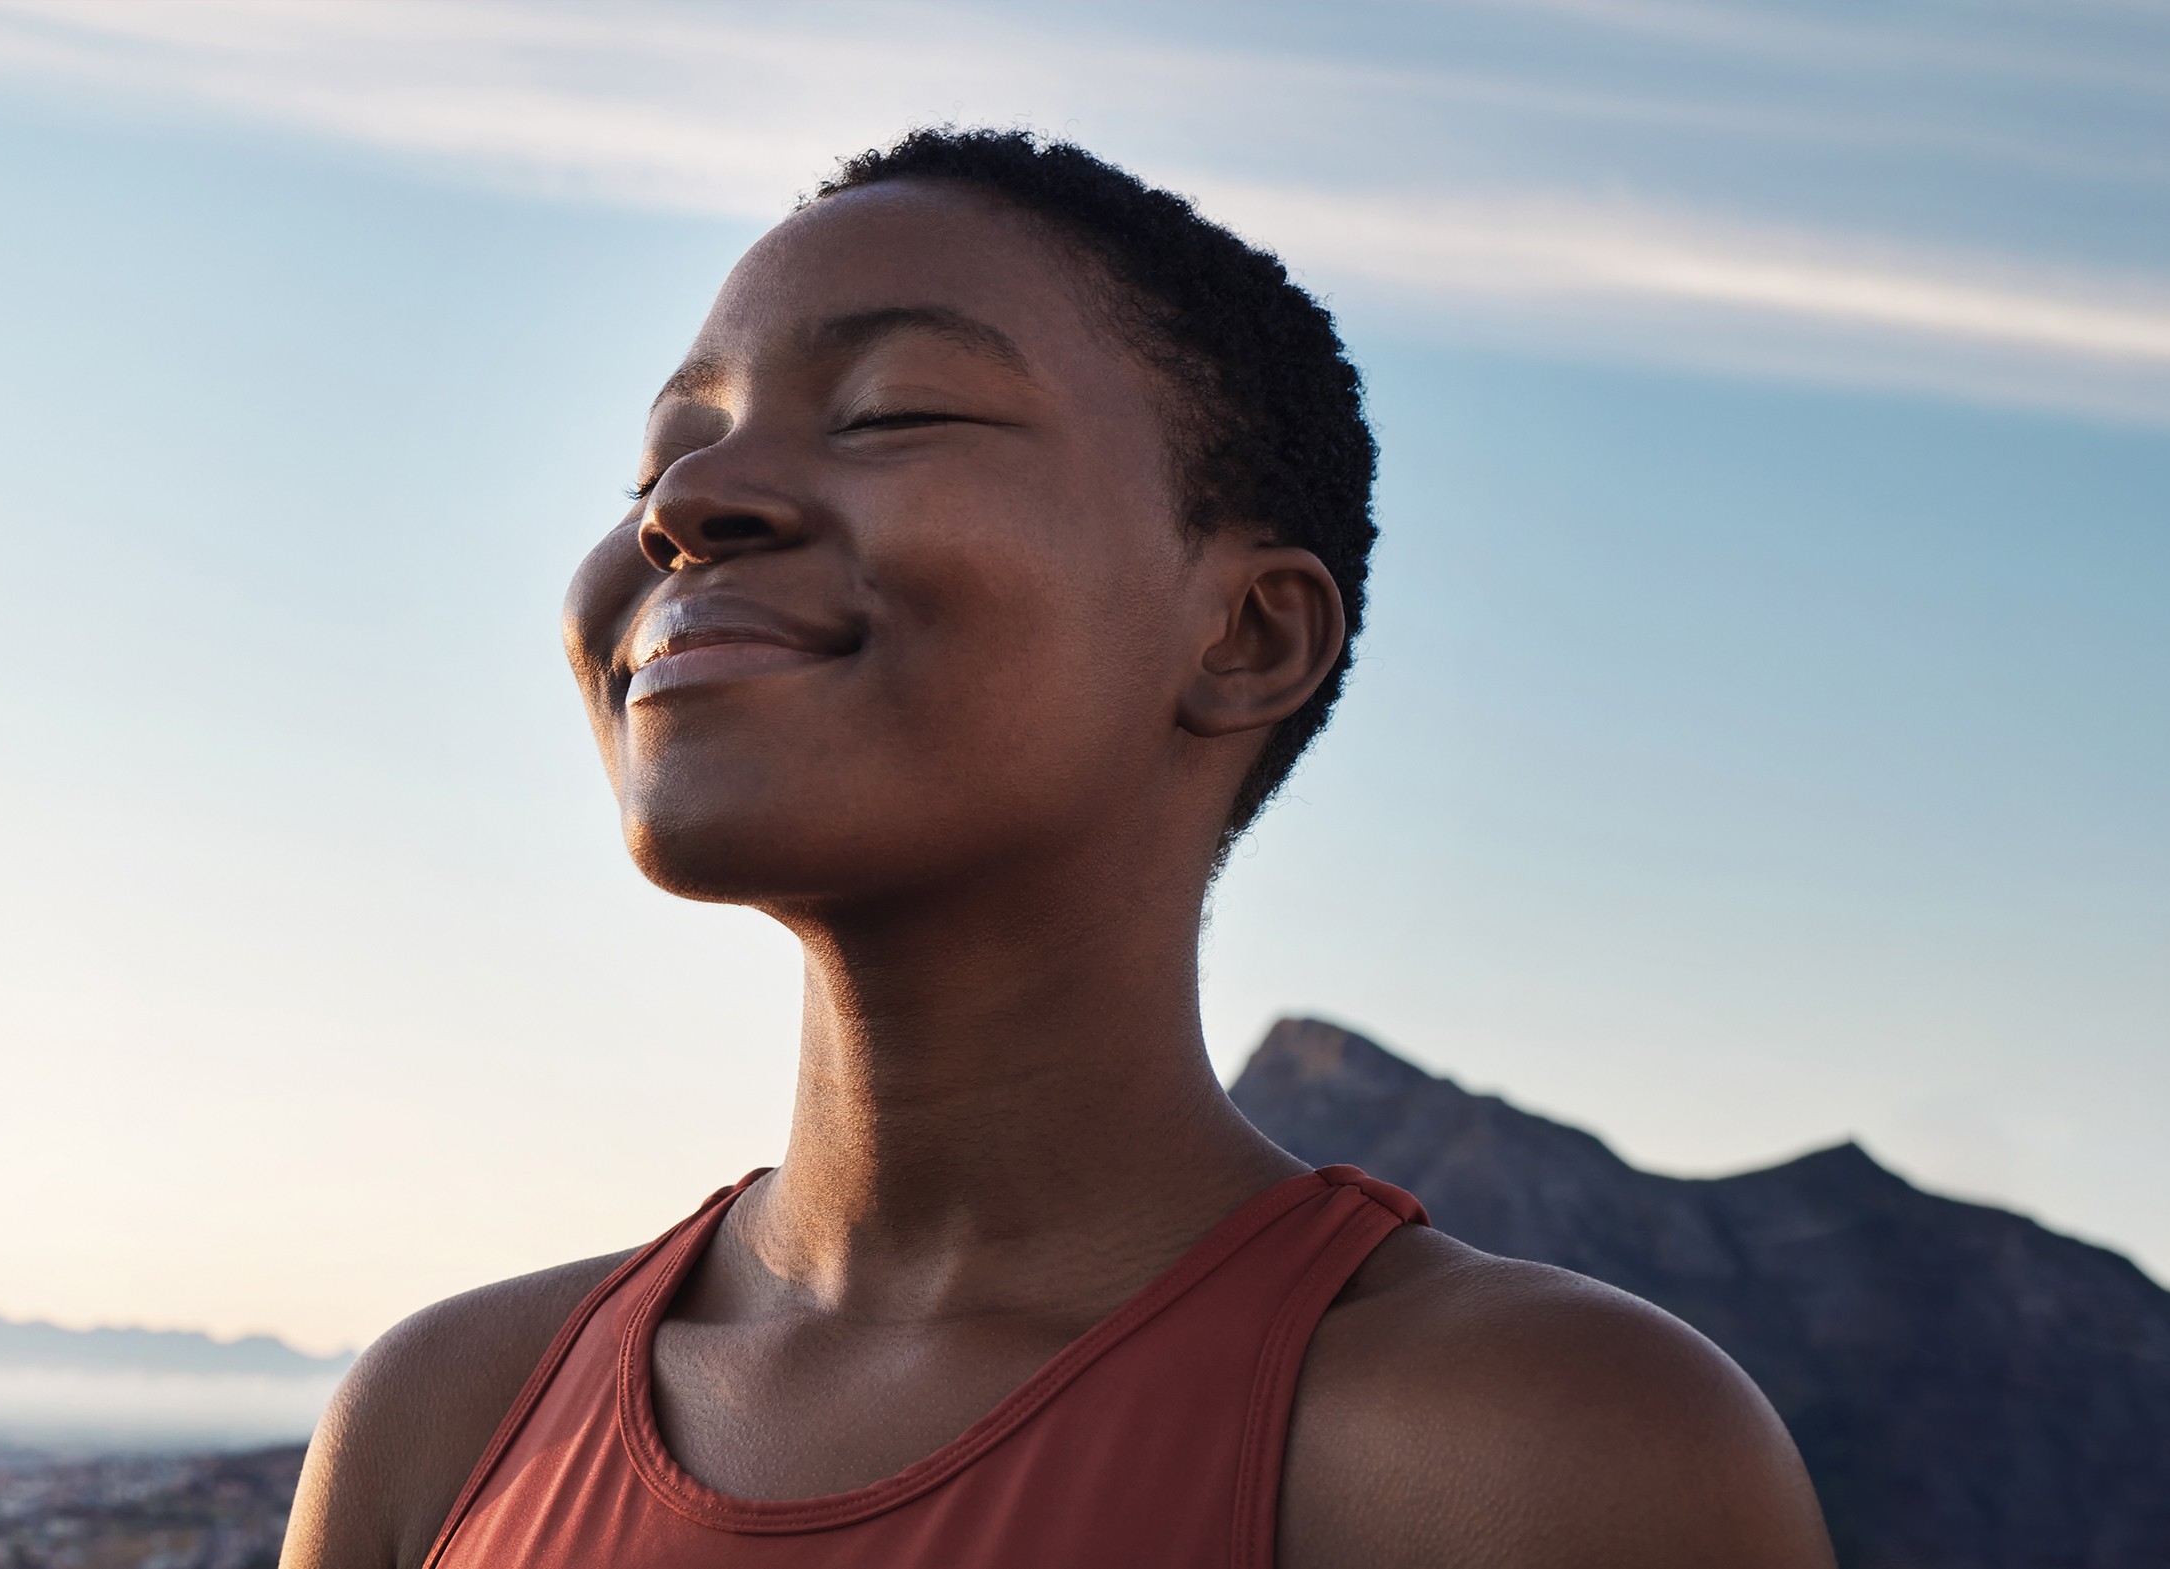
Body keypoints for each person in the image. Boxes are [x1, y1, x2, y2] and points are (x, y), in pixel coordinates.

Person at [280, 128, 1833, 1569]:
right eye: (662, 459)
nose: (687, 505)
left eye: (892, 411)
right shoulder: (442, 1419)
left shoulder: (1532, 1455)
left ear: (1241, 634)